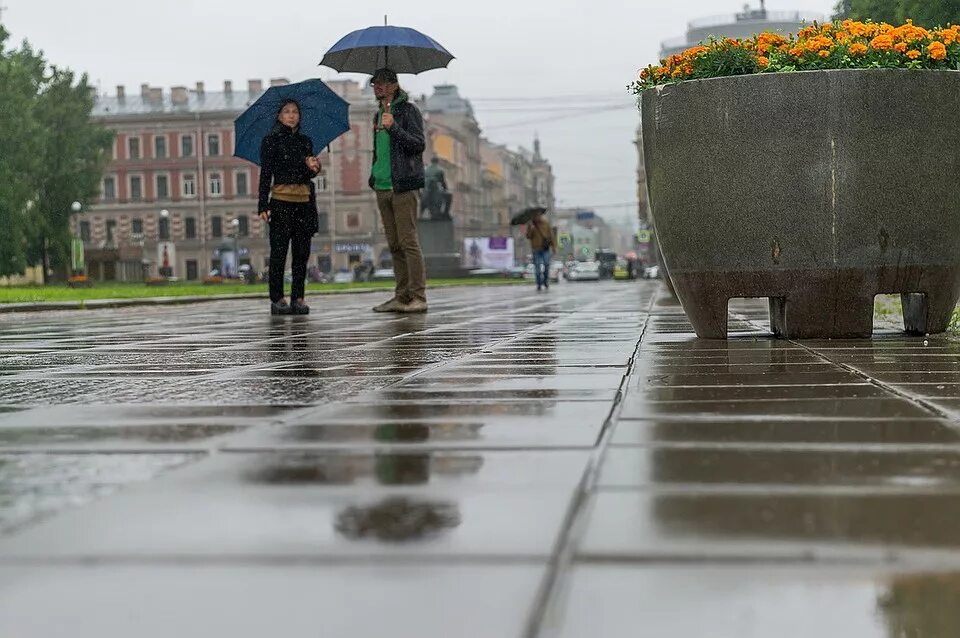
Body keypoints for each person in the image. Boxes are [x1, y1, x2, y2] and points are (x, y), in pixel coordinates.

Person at [367, 68, 428, 314]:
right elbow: (379, 152)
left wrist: (394, 128)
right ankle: (401, 296)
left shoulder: (408, 111)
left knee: (408, 242)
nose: (377, 87)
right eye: (374, 83)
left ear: (394, 85)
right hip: (382, 186)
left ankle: (418, 296)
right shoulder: (378, 114)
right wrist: (373, 175)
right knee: (393, 244)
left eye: (382, 83)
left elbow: (418, 144)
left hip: (403, 185)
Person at [258, 99, 321, 315]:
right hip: (281, 201)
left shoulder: (306, 141)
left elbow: (307, 174)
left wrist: (314, 168)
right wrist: (262, 204)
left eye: (295, 111)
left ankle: (298, 298)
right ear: (279, 116)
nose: (292, 115)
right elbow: (266, 173)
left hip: (304, 202)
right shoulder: (271, 141)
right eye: (287, 112)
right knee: (279, 252)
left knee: (301, 253)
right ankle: (277, 299)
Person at [526, 210, 555, 291]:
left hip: (545, 249)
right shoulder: (531, 225)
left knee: (546, 265)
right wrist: (530, 228)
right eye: (536, 216)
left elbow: (551, 236)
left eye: (539, 215)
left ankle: (545, 281)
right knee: (537, 268)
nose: (538, 217)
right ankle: (539, 284)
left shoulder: (546, 224)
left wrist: (553, 247)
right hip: (536, 249)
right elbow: (528, 236)